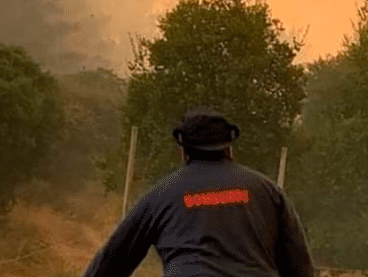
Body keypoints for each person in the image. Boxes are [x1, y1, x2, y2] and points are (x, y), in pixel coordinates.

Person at [81, 107, 315, 277]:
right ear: (229, 148)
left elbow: (113, 260)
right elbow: (299, 266)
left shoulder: (162, 194)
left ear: (183, 151)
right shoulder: (268, 191)